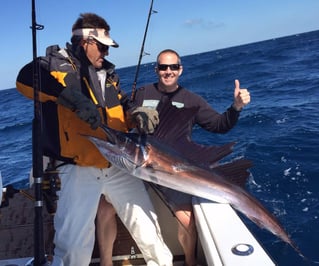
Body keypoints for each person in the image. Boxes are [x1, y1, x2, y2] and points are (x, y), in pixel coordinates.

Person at [16, 13, 173, 266]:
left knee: (148, 227)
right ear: (85, 41)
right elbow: (24, 79)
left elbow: (122, 105)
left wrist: (137, 114)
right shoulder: (53, 64)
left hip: (118, 163)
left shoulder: (109, 75)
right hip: (78, 169)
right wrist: (70, 98)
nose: (105, 54)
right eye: (101, 47)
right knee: (74, 245)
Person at [97, 49, 250, 266]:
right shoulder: (142, 93)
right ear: (156, 69)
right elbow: (126, 115)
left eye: (173, 67)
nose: (168, 71)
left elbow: (219, 125)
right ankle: (105, 262)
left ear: (180, 69)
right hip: (138, 162)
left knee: (187, 220)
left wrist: (235, 107)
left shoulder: (191, 100)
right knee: (105, 207)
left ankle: (189, 262)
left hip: (171, 169)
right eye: (163, 67)